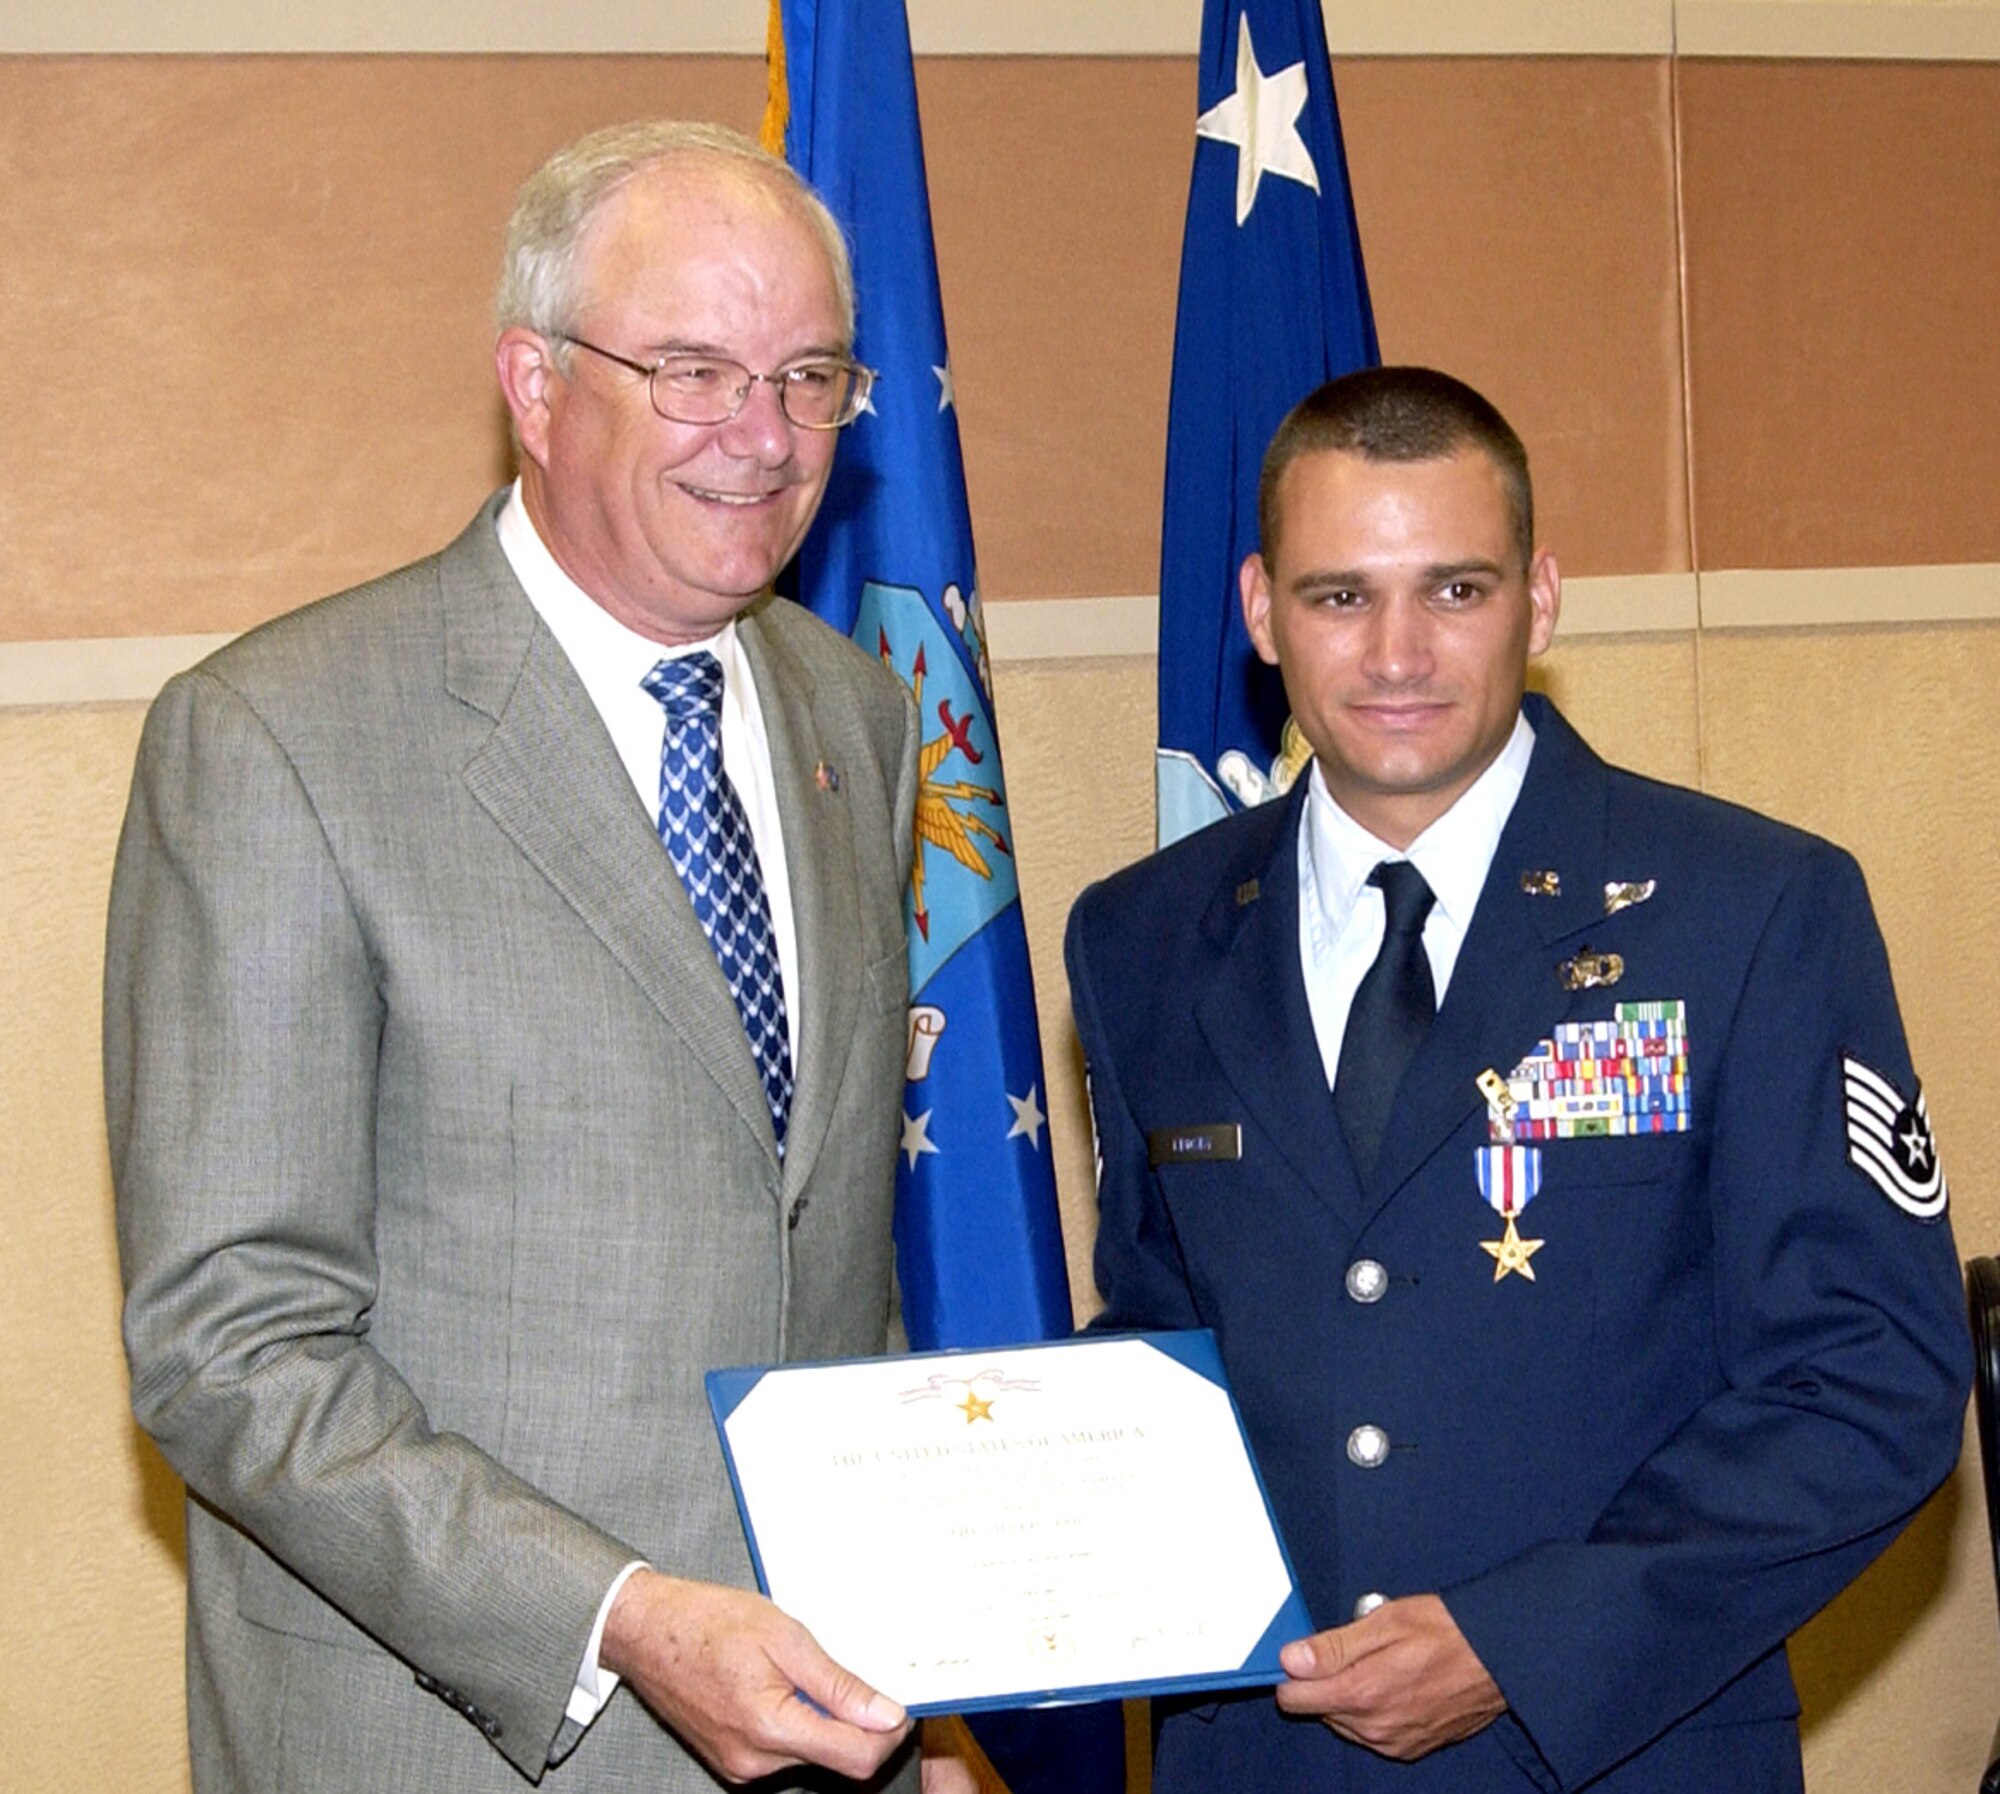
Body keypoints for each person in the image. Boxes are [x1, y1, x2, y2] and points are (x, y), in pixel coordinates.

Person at [107, 120, 950, 1793]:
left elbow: (825, 1259)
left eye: (809, 377)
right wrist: (624, 1613)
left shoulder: (856, 712)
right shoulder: (279, 737)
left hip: (815, 1739)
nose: (762, 437)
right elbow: (231, 1346)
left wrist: (928, 1679)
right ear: (536, 383)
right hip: (447, 1742)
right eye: (695, 369)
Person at [1065, 366, 1970, 1792]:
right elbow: (1164, 1342)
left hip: (1616, 1752)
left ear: (1539, 601)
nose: (1399, 652)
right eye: (1340, 595)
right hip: (1265, 1762)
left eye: (1457, 590)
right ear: (1258, 611)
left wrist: (1524, 1640)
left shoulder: (1749, 911)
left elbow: (1873, 1373)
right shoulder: (1140, 938)